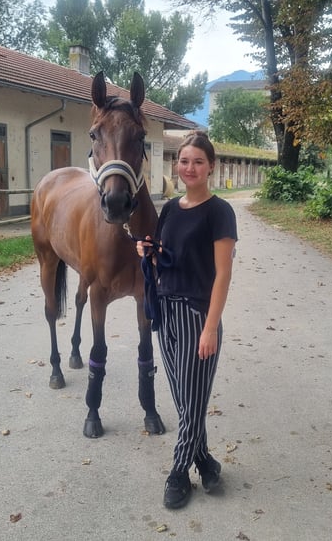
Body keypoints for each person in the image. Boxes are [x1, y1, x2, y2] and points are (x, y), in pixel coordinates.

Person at [136, 131, 238, 509]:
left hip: (198, 316)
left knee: (191, 402)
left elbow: (223, 275)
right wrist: (145, 250)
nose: (189, 168)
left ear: (211, 166)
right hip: (167, 312)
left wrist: (211, 326)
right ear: (175, 166)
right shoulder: (170, 209)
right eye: (183, 161)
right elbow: (164, 256)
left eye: (198, 161)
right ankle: (206, 461)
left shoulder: (219, 212)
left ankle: (179, 472)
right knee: (186, 402)